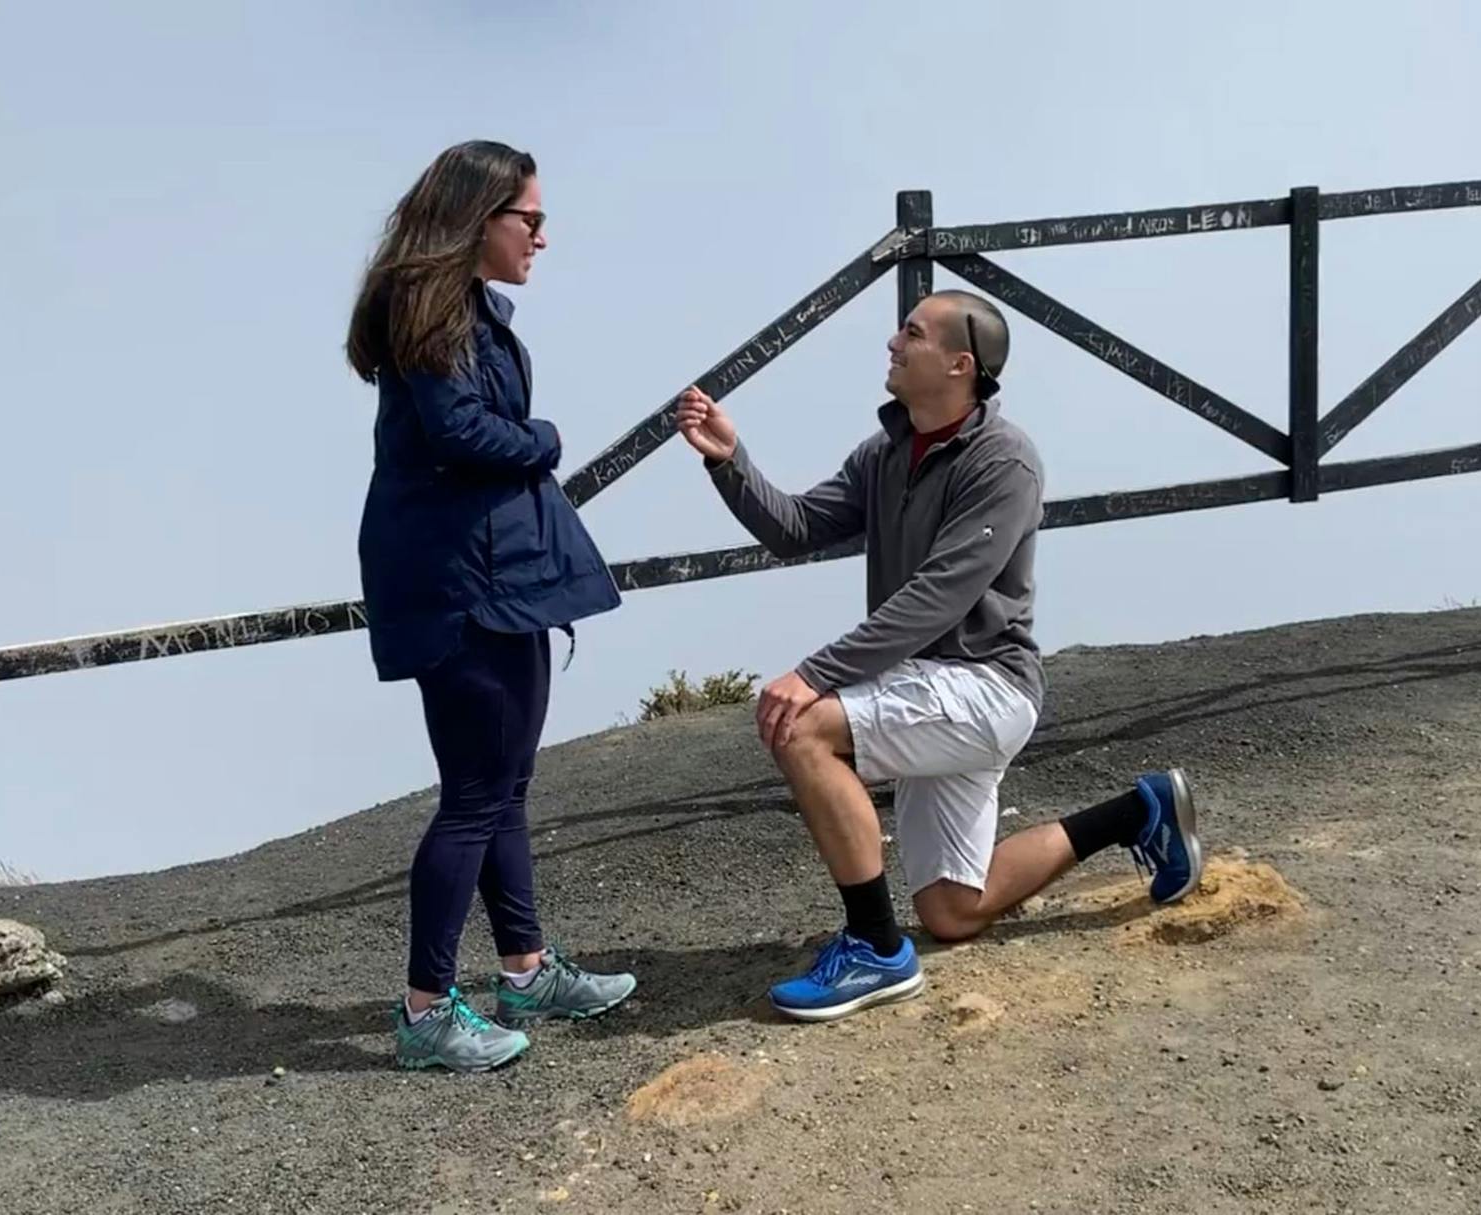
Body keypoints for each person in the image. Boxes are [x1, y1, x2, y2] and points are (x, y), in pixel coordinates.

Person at [675, 289, 1205, 1022]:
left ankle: (873, 946)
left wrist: (815, 674)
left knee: (802, 727)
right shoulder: (886, 454)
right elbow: (796, 526)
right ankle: (1138, 812)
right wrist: (730, 460)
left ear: (961, 364)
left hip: (984, 687)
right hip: (925, 691)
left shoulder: (1004, 460)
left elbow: (940, 596)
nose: (894, 342)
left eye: (912, 333)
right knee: (955, 909)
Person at [349, 139, 636, 1071]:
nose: (543, 238)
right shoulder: (426, 307)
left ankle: (526, 968)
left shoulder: (459, 307)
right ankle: (426, 1009)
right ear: (482, 218)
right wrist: (543, 437)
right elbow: (460, 430)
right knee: (474, 793)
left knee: (505, 785)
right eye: (532, 220)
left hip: (492, 573)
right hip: (457, 581)